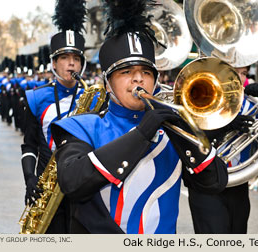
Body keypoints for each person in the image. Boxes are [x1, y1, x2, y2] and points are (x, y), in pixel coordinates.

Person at [50, 0, 228, 234]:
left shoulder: (171, 130)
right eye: (126, 72)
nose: (138, 79)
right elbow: (72, 182)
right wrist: (142, 133)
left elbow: (214, 182)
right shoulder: (82, 127)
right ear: (107, 83)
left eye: (146, 72)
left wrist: (185, 131)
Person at [188, 64, 258, 234]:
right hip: (206, 183)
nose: (239, 78)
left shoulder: (250, 104)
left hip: (238, 183)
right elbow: (190, 139)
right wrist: (224, 126)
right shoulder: (200, 99)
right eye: (233, 72)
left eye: (243, 73)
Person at [20, 0, 88, 233]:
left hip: (83, 188)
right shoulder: (36, 97)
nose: (71, 64)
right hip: (47, 186)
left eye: (76, 58)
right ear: (54, 63)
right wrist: (30, 177)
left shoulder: (94, 98)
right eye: (65, 58)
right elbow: (29, 144)